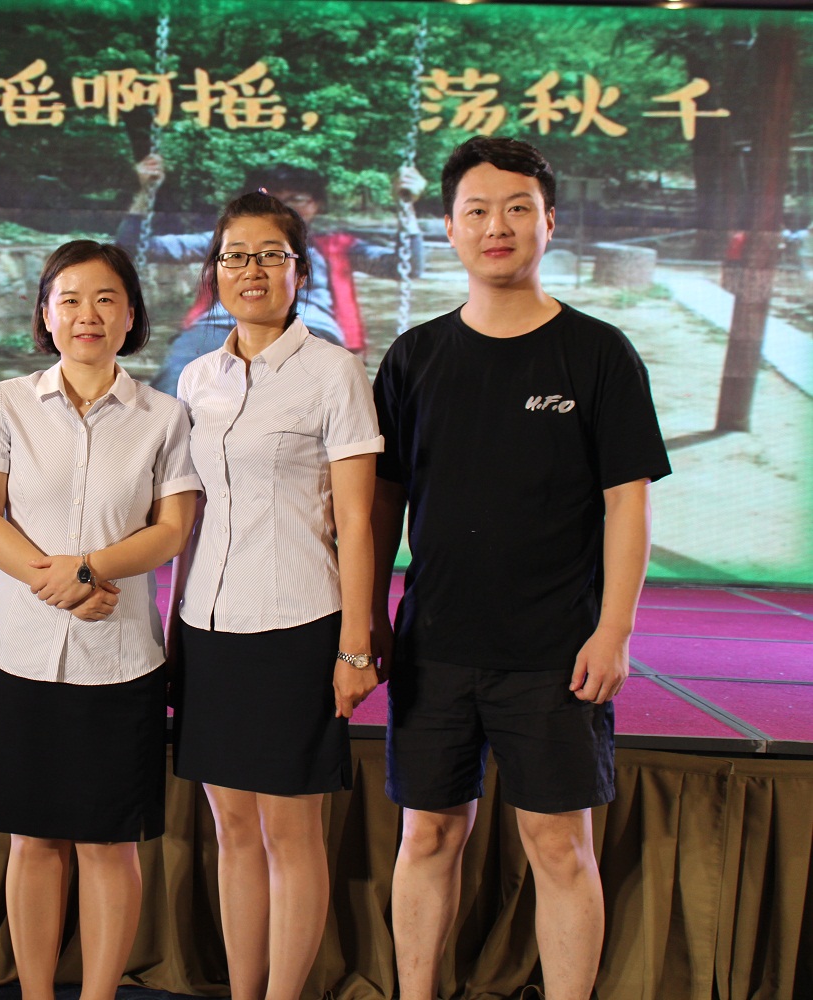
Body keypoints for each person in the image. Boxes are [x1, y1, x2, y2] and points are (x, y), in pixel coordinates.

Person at [371, 136, 671, 1000]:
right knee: (428, 835)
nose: (495, 227)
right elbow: (381, 507)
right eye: (476, 211)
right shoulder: (414, 358)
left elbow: (627, 505)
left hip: (557, 652)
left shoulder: (599, 353)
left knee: (559, 847)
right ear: (449, 228)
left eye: (516, 209)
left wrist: (614, 632)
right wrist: (369, 621)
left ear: (549, 222)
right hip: (434, 647)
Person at [0, 240, 200, 1000]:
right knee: (32, 841)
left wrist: (89, 569)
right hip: (21, 653)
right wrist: (57, 581)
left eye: (105, 300)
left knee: (108, 845)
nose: (86, 315)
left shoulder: (164, 415)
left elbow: (172, 530)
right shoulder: (7, 402)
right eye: (69, 300)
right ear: (45, 314)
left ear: (131, 315)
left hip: (120, 660)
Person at [168, 191, 383, 1000]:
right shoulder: (198, 377)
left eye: (269, 255)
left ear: (300, 270)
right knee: (232, 828)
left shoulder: (334, 371)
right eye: (234, 256)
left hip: (298, 621)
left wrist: (355, 647)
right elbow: (186, 517)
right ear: (215, 269)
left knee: (290, 831)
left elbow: (356, 522)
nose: (250, 270)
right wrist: (173, 633)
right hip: (208, 625)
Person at [118, 155, 425, 390]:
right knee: (178, 383)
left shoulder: (335, 247)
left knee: (311, 402)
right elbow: (132, 248)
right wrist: (145, 192)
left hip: (308, 329)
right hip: (219, 327)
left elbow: (407, 264)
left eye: (297, 200)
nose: (281, 208)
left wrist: (407, 206)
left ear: (316, 205)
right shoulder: (223, 241)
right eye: (270, 197)